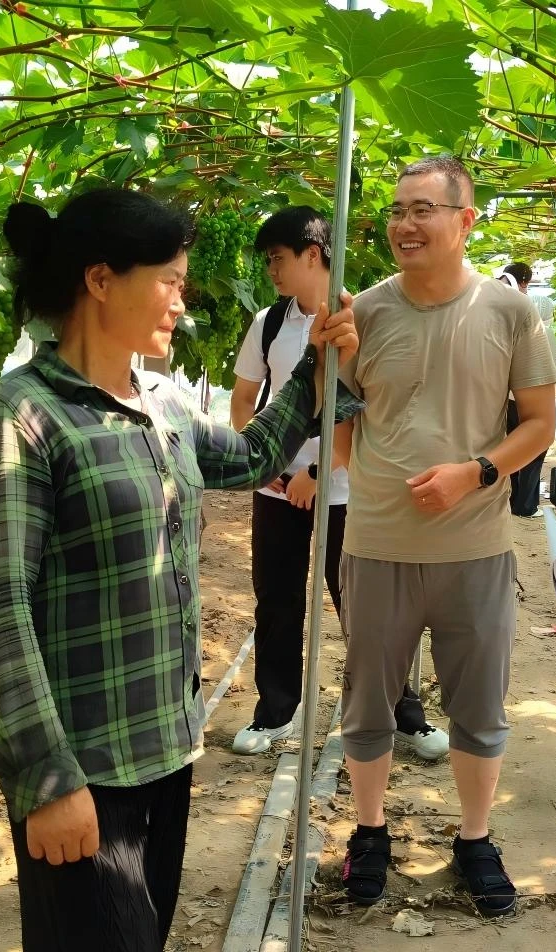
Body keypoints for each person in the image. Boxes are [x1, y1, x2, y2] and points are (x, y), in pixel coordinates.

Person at [0, 188, 360, 952]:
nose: (182, 299)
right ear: (101, 280)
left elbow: (253, 456)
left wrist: (314, 368)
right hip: (82, 769)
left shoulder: (162, 402)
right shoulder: (21, 420)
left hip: (165, 752)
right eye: (169, 279)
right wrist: (48, 778)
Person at [336, 157, 556, 917]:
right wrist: (331, 371)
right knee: (367, 703)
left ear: (465, 221)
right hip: (375, 544)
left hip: (474, 549)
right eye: (397, 210)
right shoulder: (359, 313)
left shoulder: (509, 313)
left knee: (479, 704)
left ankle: (473, 838)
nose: (404, 224)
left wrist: (474, 473)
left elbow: (538, 424)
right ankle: (369, 833)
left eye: (423, 209)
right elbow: (337, 429)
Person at [228, 207, 448, 760]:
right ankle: (275, 712)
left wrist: (321, 472)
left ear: (312, 253)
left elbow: (376, 411)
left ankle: (401, 713)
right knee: (276, 602)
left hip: (348, 490)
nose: (272, 271)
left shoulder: (361, 317)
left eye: (278, 258)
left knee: (367, 607)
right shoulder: (268, 324)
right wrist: (276, 472)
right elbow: (242, 402)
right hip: (277, 492)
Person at [500, 261, 548, 517]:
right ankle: (525, 505)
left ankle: (516, 501)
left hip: (502, 395)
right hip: (518, 392)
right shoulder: (517, 299)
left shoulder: (493, 289)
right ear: (525, 281)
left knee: (512, 445)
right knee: (535, 445)